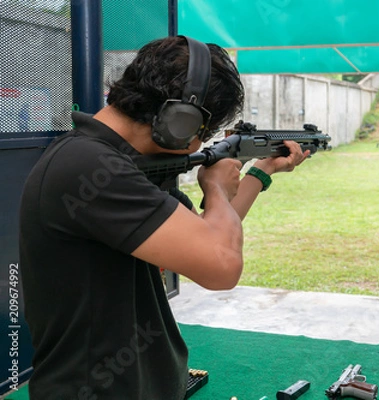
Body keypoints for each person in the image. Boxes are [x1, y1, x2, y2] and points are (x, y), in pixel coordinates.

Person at [19, 36, 309, 399]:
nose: (198, 147)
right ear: (180, 120)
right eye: (201, 134)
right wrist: (216, 188)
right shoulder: (89, 167)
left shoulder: (113, 161)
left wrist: (259, 173)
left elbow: (206, 236)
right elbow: (221, 267)